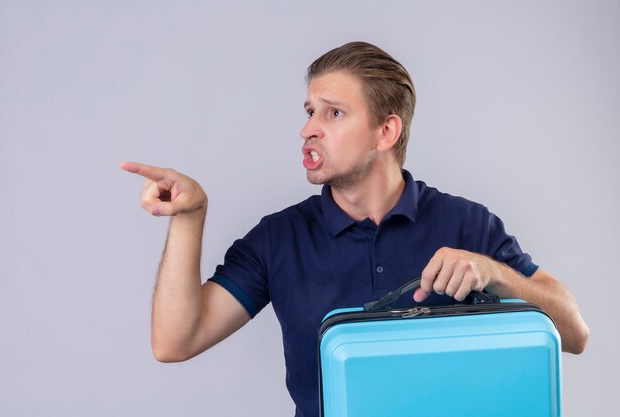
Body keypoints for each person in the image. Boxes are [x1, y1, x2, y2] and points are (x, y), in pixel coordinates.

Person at [121, 41, 589, 417]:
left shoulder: (467, 224)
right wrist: (189, 217)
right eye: (309, 112)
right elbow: (174, 341)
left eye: (333, 113)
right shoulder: (278, 238)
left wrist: (496, 274)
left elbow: (574, 332)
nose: (309, 129)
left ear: (386, 131)